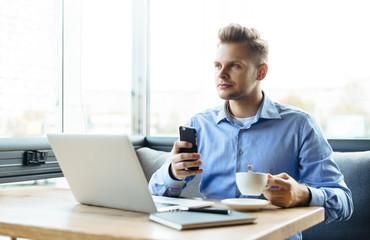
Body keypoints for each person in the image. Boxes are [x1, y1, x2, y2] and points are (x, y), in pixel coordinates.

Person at [149, 23, 353, 240]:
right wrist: (173, 172)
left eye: (234, 66)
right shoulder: (199, 124)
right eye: (218, 65)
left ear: (261, 71)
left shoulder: (300, 125)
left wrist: (303, 194)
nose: (222, 74)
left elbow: (344, 202)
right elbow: (154, 192)